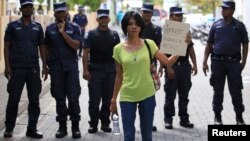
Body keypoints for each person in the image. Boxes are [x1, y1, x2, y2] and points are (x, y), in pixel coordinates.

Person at [109, 11, 191, 141]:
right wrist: (113, 100)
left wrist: (183, 45)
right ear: (125, 27)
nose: (134, 27)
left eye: (136, 24)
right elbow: (119, 76)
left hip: (147, 94)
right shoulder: (118, 49)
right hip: (127, 96)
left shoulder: (149, 44)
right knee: (129, 136)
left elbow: (168, 62)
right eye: (130, 24)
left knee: (147, 135)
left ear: (141, 27)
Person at [3, 0, 47, 138]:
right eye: (25, 7)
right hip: (17, 69)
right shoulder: (12, 26)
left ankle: (32, 129)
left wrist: (44, 66)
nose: (28, 9)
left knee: (34, 100)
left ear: (32, 9)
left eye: (30, 7)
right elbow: (6, 47)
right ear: (20, 9)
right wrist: (7, 66)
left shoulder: (38, 27)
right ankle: (9, 128)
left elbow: (42, 47)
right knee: (13, 99)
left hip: (33, 68)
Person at [203, 0, 248, 125]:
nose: (223, 10)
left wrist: (244, 61)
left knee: (236, 91)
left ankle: (239, 117)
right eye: (222, 8)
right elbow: (208, 44)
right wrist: (204, 61)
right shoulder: (216, 25)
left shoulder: (239, 26)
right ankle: (217, 117)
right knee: (218, 92)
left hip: (234, 63)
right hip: (218, 63)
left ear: (232, 10)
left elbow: (245, 44)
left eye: (226, 8)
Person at [45, 2, 82, 138]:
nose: (61, 14)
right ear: (54, 14)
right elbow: (46, 48)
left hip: (71, 69)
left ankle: (75, 127)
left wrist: (63, 33)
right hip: (56, 69)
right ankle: (62, 127)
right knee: (60, 99)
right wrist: (46, 65)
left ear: (66, 13)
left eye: (63, 12)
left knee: (73, 98)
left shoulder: (75, 28)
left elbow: (76, 46)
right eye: (58, 12)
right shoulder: (49, 29)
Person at [159, 7, 197, 129]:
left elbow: (190, 49)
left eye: (181, 15)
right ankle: (168, 119)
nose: (180, 17)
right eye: (177, 15)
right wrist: (167, 68)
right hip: (172, 67)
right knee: (170, 95)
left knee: (184, 96)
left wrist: (195, 64)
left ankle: (184, 119)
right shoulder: (166, 31)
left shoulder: (186, 31)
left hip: (185, 67)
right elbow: (162, 52)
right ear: (171, 17)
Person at [83, 9, 120, 133]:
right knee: (94, 100)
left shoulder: (115, 35)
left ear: (109, 20)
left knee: (108, 99)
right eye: (101, 18)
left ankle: (105, 123)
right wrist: (85, 70)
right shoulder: (91, 34)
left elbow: (119, 55)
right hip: (95, 71)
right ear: (97, 19)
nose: (104, 20)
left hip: (110, 71)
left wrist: (119, 72)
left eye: (106, 18)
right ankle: (93, 123)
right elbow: (85, 52)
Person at [140, 2, 162, 131]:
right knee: (136, 95)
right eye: (144, 11)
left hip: (151, 66)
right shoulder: (135, 27)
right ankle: (140, 123)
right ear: (141, 12)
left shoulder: (156, 30)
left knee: (149, 98)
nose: (146, 14)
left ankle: (148, 123)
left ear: (151, 13)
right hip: (136, 65)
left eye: (148, 12)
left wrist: (162, 66)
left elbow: (159, 48)